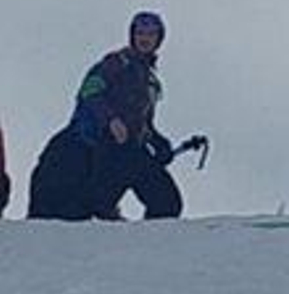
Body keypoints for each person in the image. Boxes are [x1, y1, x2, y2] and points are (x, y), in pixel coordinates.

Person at [28, 11, 186, 220]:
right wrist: (111, 120)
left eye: (151, 34)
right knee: (82, 202)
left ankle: (150, 242)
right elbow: (90, 91)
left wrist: (158, 142)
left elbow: (143, 124)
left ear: (159, 39)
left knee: (166, 201)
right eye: (140, 33)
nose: (145, 38)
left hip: (126, 150)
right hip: (97, 145)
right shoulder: (116, 63)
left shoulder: (150, 83)